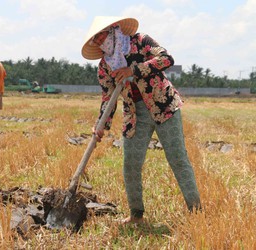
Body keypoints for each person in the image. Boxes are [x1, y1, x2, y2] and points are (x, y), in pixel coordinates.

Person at [81, 16, 201, 224]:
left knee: (178, 159)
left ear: (112, 30)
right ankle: (136, 215)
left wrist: (132, 71)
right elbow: (108, 98)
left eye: (101, 36)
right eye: (96, 40)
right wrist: (101, 125)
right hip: (134, 114)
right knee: (130, 165)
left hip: (164, 106)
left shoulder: (140, 41)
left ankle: (196, 211)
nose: (100, 41)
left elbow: (166, 59)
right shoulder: (104, 67)